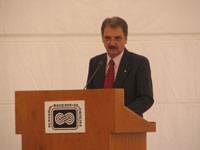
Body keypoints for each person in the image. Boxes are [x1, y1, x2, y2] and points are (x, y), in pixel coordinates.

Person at [86, 17, 154, 117]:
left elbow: (146, 98)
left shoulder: (139, 63)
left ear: (126, 39)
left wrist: (120, 113)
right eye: (107, 38)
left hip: (128, 125)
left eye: (117, 38)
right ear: (102, 38)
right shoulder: (95, 63)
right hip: (99, 125)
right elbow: (90, 96)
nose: (112, 43)